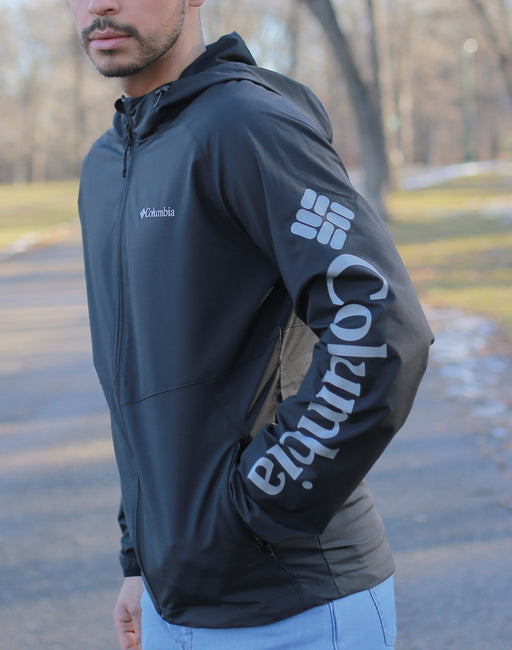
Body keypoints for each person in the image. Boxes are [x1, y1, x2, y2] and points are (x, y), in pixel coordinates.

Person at [70, 1, 433, 648]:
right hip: (171, 602)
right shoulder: (106, 164)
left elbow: (380, 325)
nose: (99, 4)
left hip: (295, 607)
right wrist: (140, 558)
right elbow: (140, 389)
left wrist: (260, 504)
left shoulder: (248, 126)